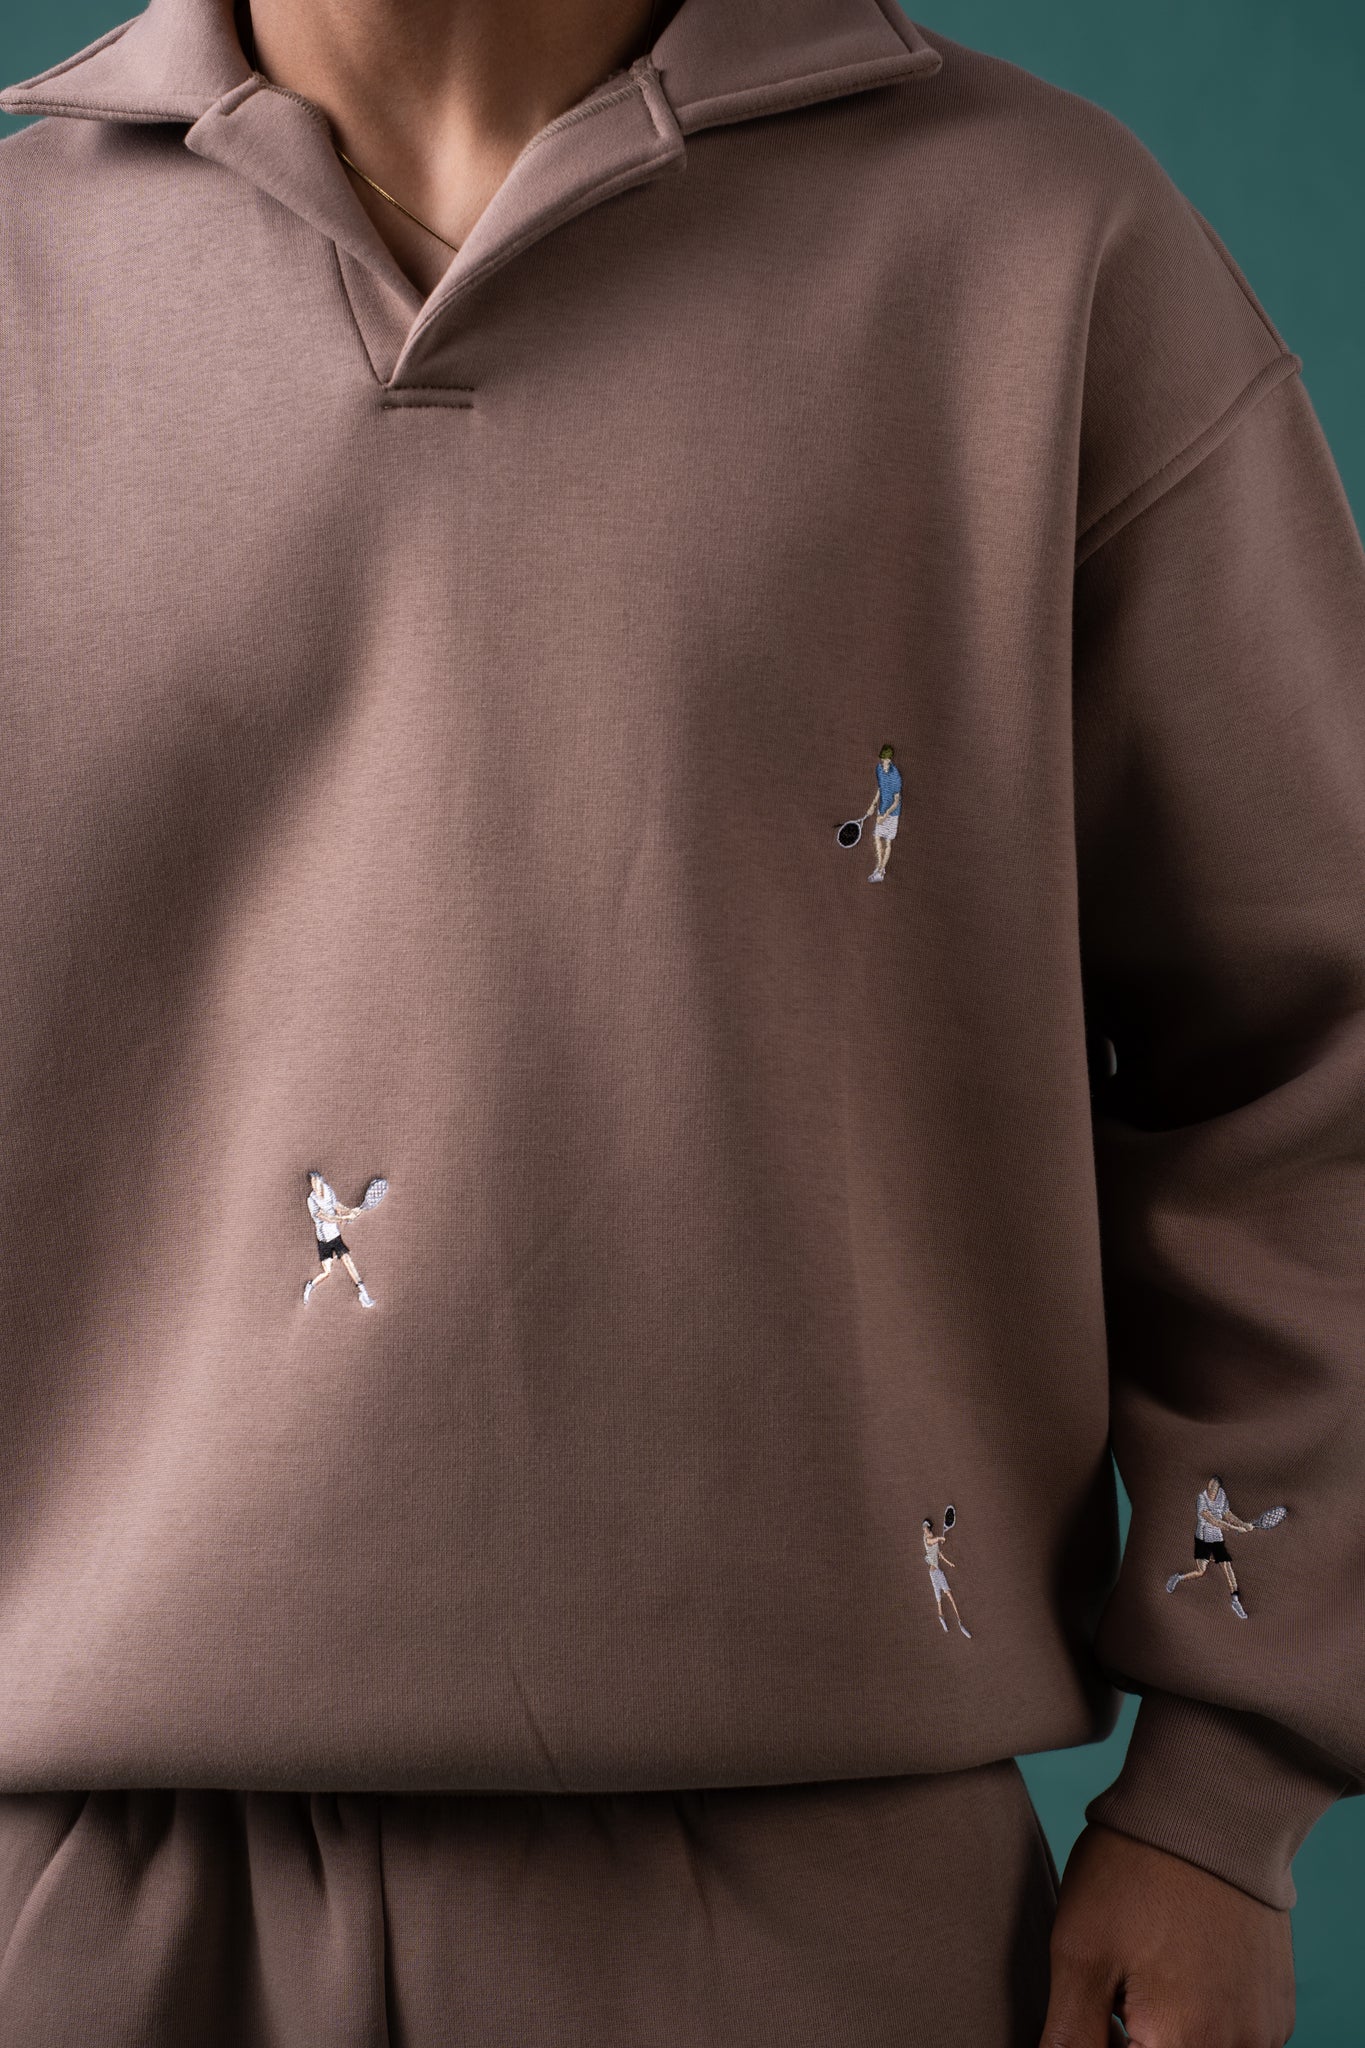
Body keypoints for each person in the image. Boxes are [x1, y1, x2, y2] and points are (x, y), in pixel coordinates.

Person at [0, 1, 1360, 2043]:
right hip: (48, 1900)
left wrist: (1219, 1796)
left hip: (826, 1899)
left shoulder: (1035, 245)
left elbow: (1312, 1047)